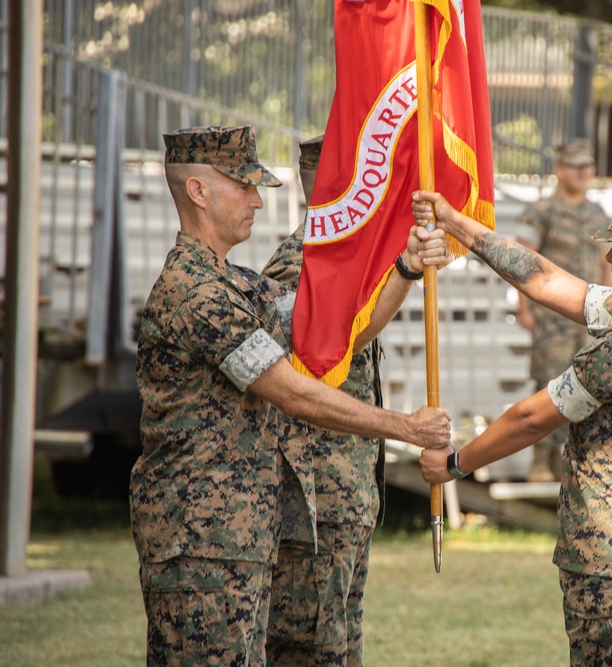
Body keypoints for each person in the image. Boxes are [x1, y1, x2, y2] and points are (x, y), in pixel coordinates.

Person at [130, 126, 452, 666]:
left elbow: (336, 330)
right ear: (199, 192)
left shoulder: (234, 284)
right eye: (243, 186)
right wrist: (406, 429)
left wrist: (405, 267)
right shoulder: (198, 293)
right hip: (200, 540)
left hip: (234, 536)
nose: (258, 199)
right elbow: (291, 393)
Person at [412, 184, 612, 666]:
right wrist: (456, 223)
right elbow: (547, 279)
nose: (610, 253)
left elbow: (530, 419)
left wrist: (453, 463)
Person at [261, 136, 387, 666]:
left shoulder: (338, 260)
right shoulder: (302, 261)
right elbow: (322, 347)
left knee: (337, 648)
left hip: (345, 496)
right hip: (318, 502)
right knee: (310, 651)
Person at [516, 138, 611, 482]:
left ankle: (573, 463)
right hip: (552, 320)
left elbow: (607, 266)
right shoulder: (541, 211)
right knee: (549, 386)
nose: (583, 172)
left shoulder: (598, 214)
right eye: (576, 166)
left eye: (588, 166)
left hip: (588, 321)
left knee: (588, 389)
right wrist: (523, 310)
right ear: (559, 169)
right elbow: (523, 264)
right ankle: (541, 461)